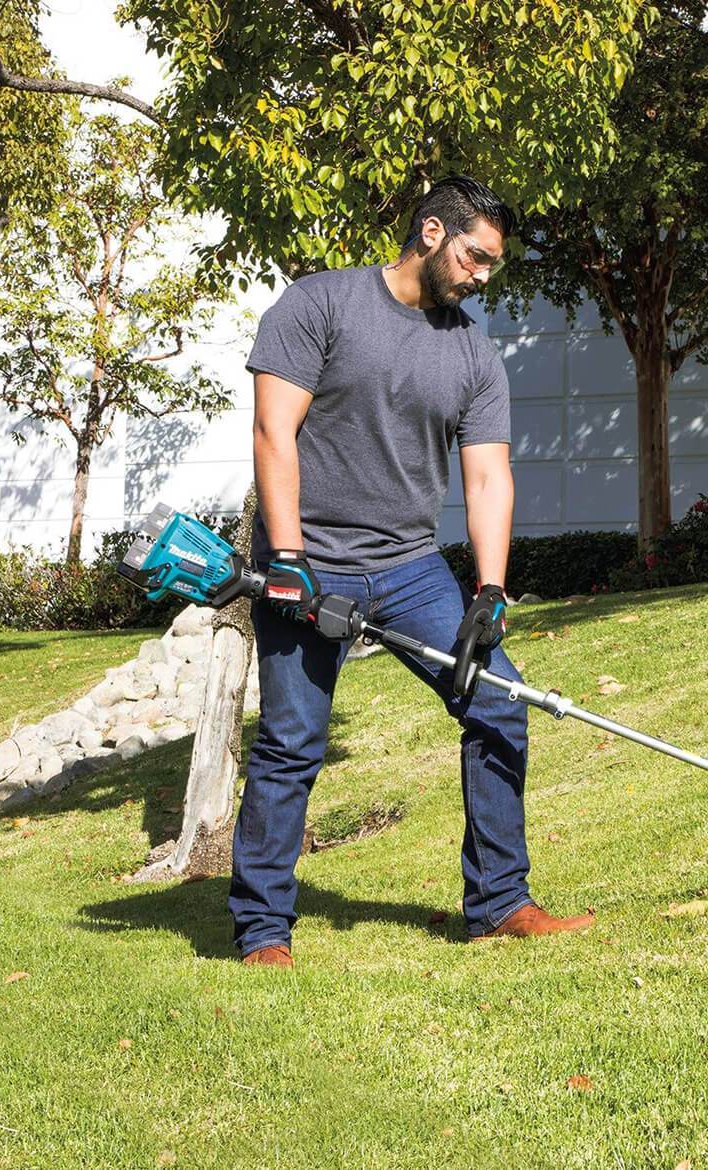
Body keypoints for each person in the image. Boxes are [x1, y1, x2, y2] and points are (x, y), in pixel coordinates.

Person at [229, 175, 595, 967]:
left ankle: (499, 903)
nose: (482, 275)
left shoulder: (472, 353)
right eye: (475, 256)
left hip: (409, 567)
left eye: (492, 263)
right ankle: (262, 930)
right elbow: (272, 431)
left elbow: (488, 476)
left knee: (499, 704)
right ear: (432, 232)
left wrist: (490, 590)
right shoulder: (319, 305)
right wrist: (286, 559)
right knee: (293, 741)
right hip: (310, 559)